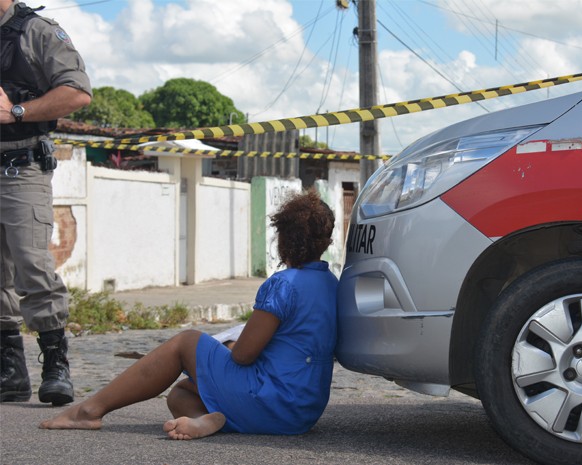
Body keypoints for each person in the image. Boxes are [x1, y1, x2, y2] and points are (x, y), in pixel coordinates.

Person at [40, 191, 338, 439]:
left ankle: (88, 411)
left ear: (283, 237)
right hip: (302, 413)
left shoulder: (283, 284)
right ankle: (200, 420)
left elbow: (244, 356)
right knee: (181, 393)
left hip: (271, 402)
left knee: (187, 342)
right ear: (325, 241)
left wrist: (230, 346)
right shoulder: (331, 284)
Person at [0, 0, 92, 406]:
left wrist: (17, 111)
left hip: (22, 165)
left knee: (31, 265)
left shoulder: (36, 31)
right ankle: (10, 371)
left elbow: (77, 92)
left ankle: (56, 363)